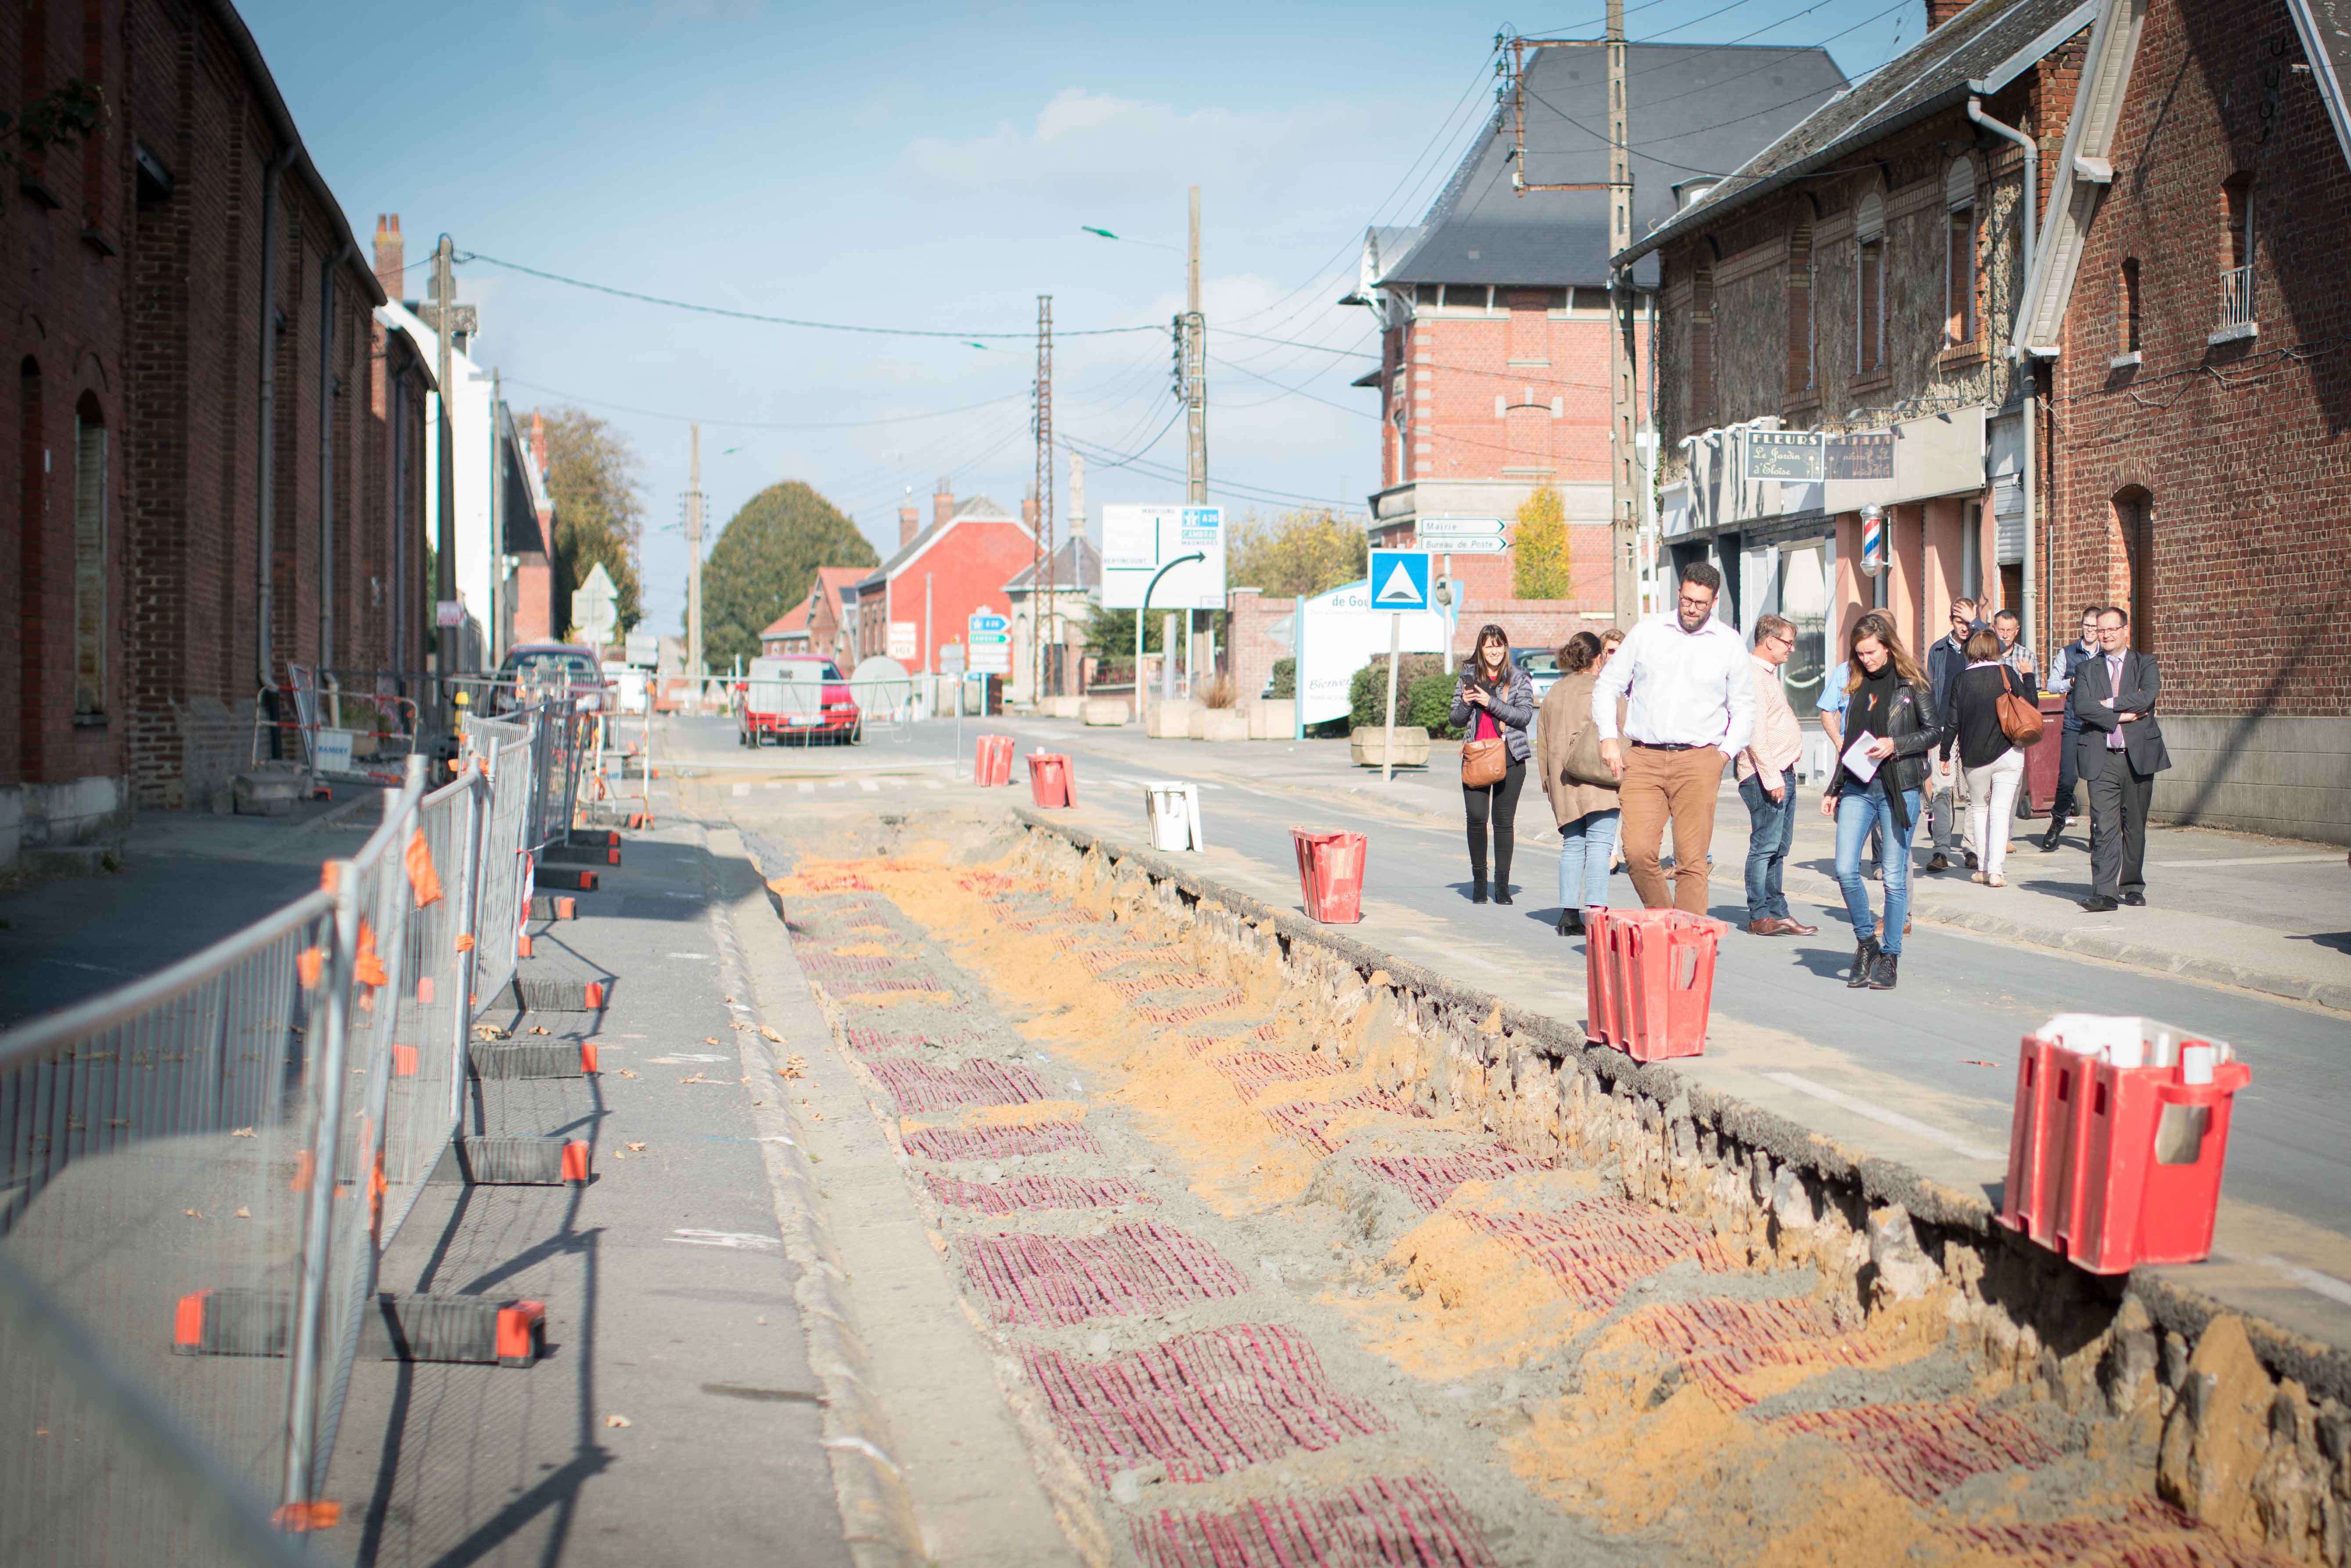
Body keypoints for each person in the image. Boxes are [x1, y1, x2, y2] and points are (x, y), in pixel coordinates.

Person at [1593, 562, 1755, 915]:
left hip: (1699, 760)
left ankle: (1688, 948)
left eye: (1699, 602)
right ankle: (1666, 922)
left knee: (1691, 861)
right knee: (1636, 853)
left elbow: (1743, 706)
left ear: (1713, 602)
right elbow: (1608, 685)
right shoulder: (1648, 632)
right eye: (1685, 599)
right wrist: (1608, 737)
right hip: (1644, 758)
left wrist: (1723, 755)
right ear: (1678, 594)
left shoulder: (1727, 643)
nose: (1691, 608)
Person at [1820, 611, 1944, 990]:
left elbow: (1934, 731)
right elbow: (1852, 742)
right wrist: (1834, 787)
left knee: (1893, 878)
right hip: (1858, 786)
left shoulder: (1912, 681)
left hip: (1898, 788)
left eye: (1871, 652)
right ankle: (1865, 942)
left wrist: (1897, 744)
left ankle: (1890, 956)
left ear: (1887, 646)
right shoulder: (1855, 683)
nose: (1865, 659)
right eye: (1859, 653)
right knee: (1844, 869)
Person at [2071, 606, 2170, 911]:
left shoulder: (2145, 663)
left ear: (2125, 630)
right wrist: (2117, 718)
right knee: (2104, 825)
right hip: (2102, 757)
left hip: (2137, 757)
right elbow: (2082, 707)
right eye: (2101, 630)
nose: (2106, 635)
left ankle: (2131, 885)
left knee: (2135, 825)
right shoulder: (2087, 669)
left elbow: (2147, 696)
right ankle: (2105, 892)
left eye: (2112, 629)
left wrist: (2108, 704)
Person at [1735, 615, 1816, 936]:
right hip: (1764, 775)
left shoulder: (1766, 675)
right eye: (1787, 642)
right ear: (1769, 641)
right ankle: (1759, 915)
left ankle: (1777, 912)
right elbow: (1754, 733)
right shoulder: (1753, 675)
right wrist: (1771, 777)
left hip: (1782, 771)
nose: (1791, 649)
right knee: (1765, 846)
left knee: (1779, 847)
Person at [1535, 632, 1619, 936]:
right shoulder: (1603, 690)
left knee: (1572, 845)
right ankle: (1596, 911)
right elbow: (1623, 731)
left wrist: (1547, 783)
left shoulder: (1554, 693)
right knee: (1600, 844)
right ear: (1599, 658)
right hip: (1601, 779)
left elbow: (1542, 743)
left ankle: (1569, 915)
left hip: (1563, 780)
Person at [1451, 623, 1537, 905]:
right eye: (1489, 646)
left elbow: (1524, 716)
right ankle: (1479, 883)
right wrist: (1466, 704)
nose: (1495, 651)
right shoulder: (1468, 676)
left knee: (1503, 823)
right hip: (1476, 756)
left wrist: (1490, 701)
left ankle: (1502, 885)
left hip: (1510, 756)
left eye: (1499, 645)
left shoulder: (1519, 677)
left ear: (1505, 647)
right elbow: (1455, 718)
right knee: (1476, 819)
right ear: (1481, 648)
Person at [1947, 627, 2036, 887]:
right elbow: (2031, 703)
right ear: (1995, 650)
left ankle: (1984, 868)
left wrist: (1944, 755)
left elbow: (1952, 722)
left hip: (1974, 757)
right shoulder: (2006, 673)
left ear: (1972, 650)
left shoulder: (1961, 681)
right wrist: (2028, 676)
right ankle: (1997, 871)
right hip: (2009, 753)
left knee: (1978, 809)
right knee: (2000, 811)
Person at [1923, 597, 1986, 874]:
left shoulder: (1981, 645)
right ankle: (1941, 850)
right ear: (1951, 621)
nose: (1965, 627)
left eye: (1969, 621)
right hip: (1943, 729)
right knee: (1942, 789)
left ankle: (1971, 849)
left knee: (1976, 792)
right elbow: (1930, 690)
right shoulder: (1938, 650)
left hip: (1974, 729)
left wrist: (1976, 622)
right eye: (1960, 621)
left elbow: (2002, 647)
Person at [2039, 605, 2107, 852]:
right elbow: (2052, 684)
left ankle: (2097, 829)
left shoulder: (2105, 654)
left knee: (2097, 780)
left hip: (2099, 725)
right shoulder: (2067, 653)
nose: (2090, 631)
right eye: (2086, 626)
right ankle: (2058, 820)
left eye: (2094, 627)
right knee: (2068, 779)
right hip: (2073, 723)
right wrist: (2071, 682)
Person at [1816, 651, 1882, 880]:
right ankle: (1849, 864)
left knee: (1884, 810)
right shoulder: (1845, 672)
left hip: (1883, 753)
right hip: (1851, 758)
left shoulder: (1895, 670)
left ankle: (1881, 862)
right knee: (1850, 810)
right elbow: (1827, 711)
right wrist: (1839, 743)